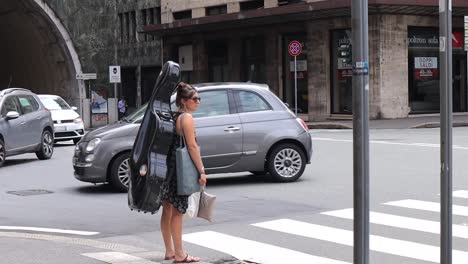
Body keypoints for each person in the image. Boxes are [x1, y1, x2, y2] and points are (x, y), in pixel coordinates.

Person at [160, 82, 207, 263]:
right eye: (195, 99)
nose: (198, 102)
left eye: (199, 98)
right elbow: (192, 146)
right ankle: (180, 255)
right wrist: (201, 170)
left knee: (167, 209)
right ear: (184, 101)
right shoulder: (186, 118)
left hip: (168, 167)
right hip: (179, 170)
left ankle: (169, 251)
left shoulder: (173, 116)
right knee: (178, 211)